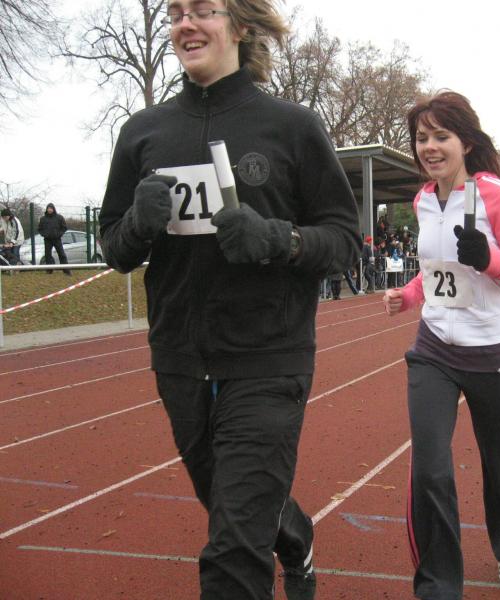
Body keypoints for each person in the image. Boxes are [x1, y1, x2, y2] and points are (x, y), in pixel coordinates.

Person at [97, 2, 361, 598]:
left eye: (203, 10)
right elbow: (114, 245)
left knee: (233, 550)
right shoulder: (142, 133)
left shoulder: (293, 126)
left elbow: (344, 241)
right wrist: (138, 223)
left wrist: (279, 238)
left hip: (269, 358)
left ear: (239, 25)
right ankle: (293, 534)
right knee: (229, 503)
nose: (186, 24)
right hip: (180, 359)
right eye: (176, 13)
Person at [383, 91, 500, 599]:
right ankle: (438, 586)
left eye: (441, 136)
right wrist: (409, 295)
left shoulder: (495, 194)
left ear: (466, 142)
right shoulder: (422, 200)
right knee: (429, 467)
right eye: (421, 138)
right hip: (434, 349)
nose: (429, 147)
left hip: (492, 352)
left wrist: (491, 260)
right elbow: (435, 273)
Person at [37, 202, 71, 275]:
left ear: (53, 209)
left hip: (57, 239)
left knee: (62, 254)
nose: (49, 210)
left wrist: (59, 234)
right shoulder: (43, 219)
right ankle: (49, 270)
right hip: (47, 240)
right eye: (48, 208)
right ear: (46, 209)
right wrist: (44, 234)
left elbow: (64, 228)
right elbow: (39, 229)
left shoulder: (59, 217)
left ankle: (66, 270)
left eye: (51, 208)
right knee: (47, 255)